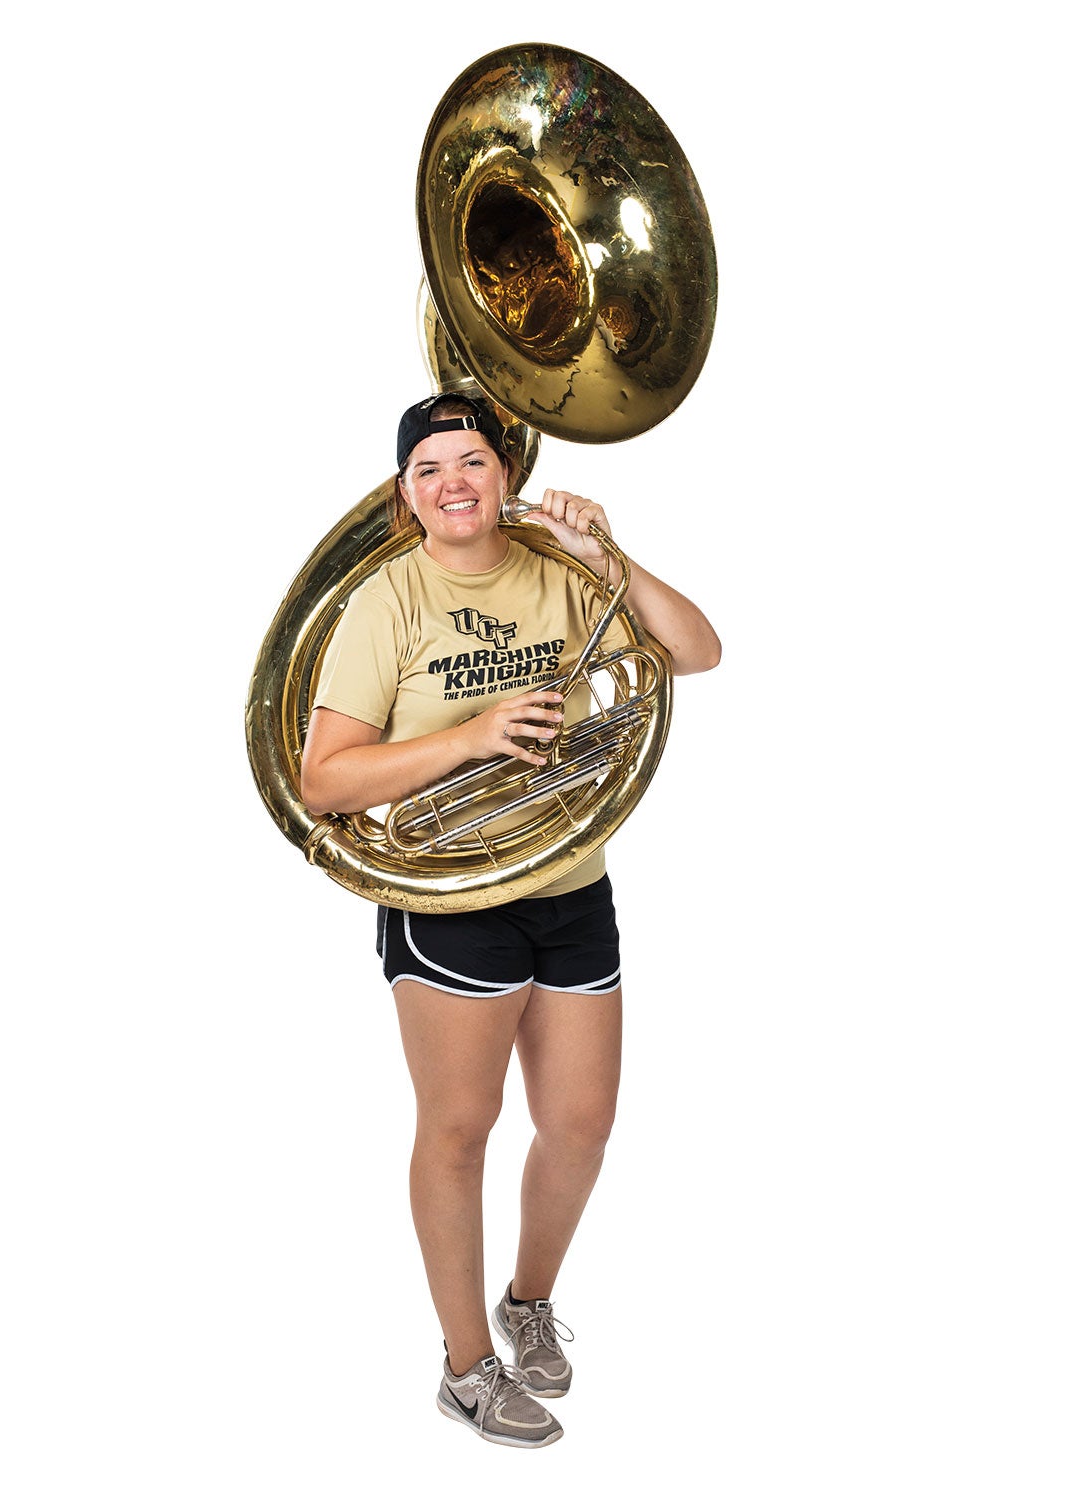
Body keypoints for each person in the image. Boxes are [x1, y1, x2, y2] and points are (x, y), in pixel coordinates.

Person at [300, 393, 720, 1448]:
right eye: (432, 467)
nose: (455, 483)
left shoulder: (560, 574)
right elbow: (325, 780)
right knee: (459, 1131)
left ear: (504, 474)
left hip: (570, 884)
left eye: (474, 460)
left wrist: (604, 553)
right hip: (452, 903)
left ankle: (525, 1306)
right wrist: (474, 737)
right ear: (406, 493)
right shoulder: (384, 604)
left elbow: (699, 651)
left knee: (580, 1126)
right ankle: (464, 1364)